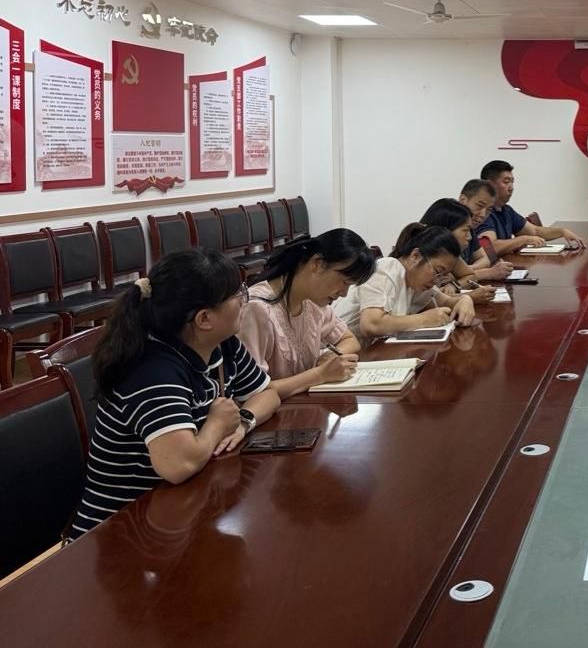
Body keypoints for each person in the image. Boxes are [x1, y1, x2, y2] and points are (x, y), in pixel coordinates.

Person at [70, 248, 281, 538]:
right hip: (120, 532)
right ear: (204, 319)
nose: (245, 300)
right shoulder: (152, 371)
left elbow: (268, 394)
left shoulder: (222, 345)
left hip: (180, 513)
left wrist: (243, 421)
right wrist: (217, 425)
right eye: (238, 295)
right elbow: (178, 464)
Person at [238, 229, 376, 397]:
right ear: (317, 263)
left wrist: (330, 357)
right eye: (344, 282)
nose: (344, 293)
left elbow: (349, 340)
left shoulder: (313, 302)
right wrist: (320, 375)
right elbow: (253, 392)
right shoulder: (257, 309)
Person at [334, 224, 475, 340]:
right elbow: (371, 324)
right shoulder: (386, 268)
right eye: (438, 271)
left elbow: (447, 301)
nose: (437, 281)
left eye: (443, 275)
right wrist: (424, 319)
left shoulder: (415, 284)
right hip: (338, 352)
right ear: (416, 256)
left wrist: (465, 300)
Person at [476, 159, 585, 255]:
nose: (511, 187)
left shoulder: (506, 210)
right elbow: (490, 248)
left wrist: (562, 232)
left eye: (512, 182)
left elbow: (535, 231)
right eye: (506, 182)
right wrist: (523, 239)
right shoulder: (483, 213)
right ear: (490, 185)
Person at [407, 200, 497, 302]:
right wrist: (470, 296)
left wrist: (454, 285)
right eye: (465, 230)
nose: (470, 237)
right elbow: (422, 302)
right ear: (445, 231)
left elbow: (471, 276)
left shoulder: (447, 254)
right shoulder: (420, 256)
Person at [458, 178, 515, 281]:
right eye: (480, 206)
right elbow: (450, 279)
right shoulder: (447, 229)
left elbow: (485, 260)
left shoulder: (470, 228)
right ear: (463, 200)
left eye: (489, 209)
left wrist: (466, 271)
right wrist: (487, 273)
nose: (483, 215)